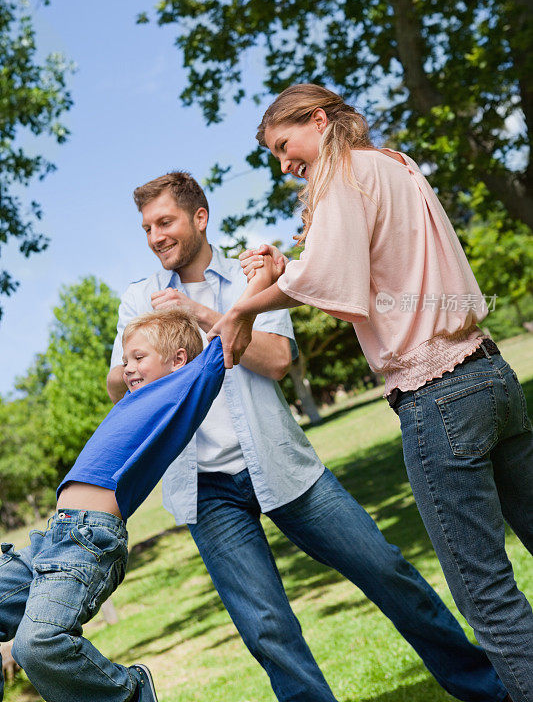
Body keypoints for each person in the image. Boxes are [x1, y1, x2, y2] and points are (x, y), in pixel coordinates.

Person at [108, 169, 509, 702]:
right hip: (206, 489)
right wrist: (137, 367)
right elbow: (120, 384)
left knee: (387, 572)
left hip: (281, 464)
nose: (156, 236)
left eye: (165, 222)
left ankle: (490, 691)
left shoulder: (251, 277)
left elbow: (276, 361)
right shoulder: (140, 298)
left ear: (199, 218)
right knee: (268, 631)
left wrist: (204, 317)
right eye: (147, 228)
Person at [210, 83, 533, 702]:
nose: (284, 165)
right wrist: (290, 268)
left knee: (485, 595)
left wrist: (243, 308)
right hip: (492, 377)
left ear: (322, 120)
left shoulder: (340, 179)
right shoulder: (395, 166)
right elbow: (355, 282)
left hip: (437, 397)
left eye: (284, 145)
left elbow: (331, 280)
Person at [0, 307, 228, 702]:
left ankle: (130, 693)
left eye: (139, 358)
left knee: (36, 645)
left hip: (88, 539)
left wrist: (261, 279)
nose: (128, 369)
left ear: (178, 360)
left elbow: (233, 330)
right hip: (52, 536)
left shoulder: (190, 381)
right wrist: (133, 353)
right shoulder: (130, 399)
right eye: (126, 361)